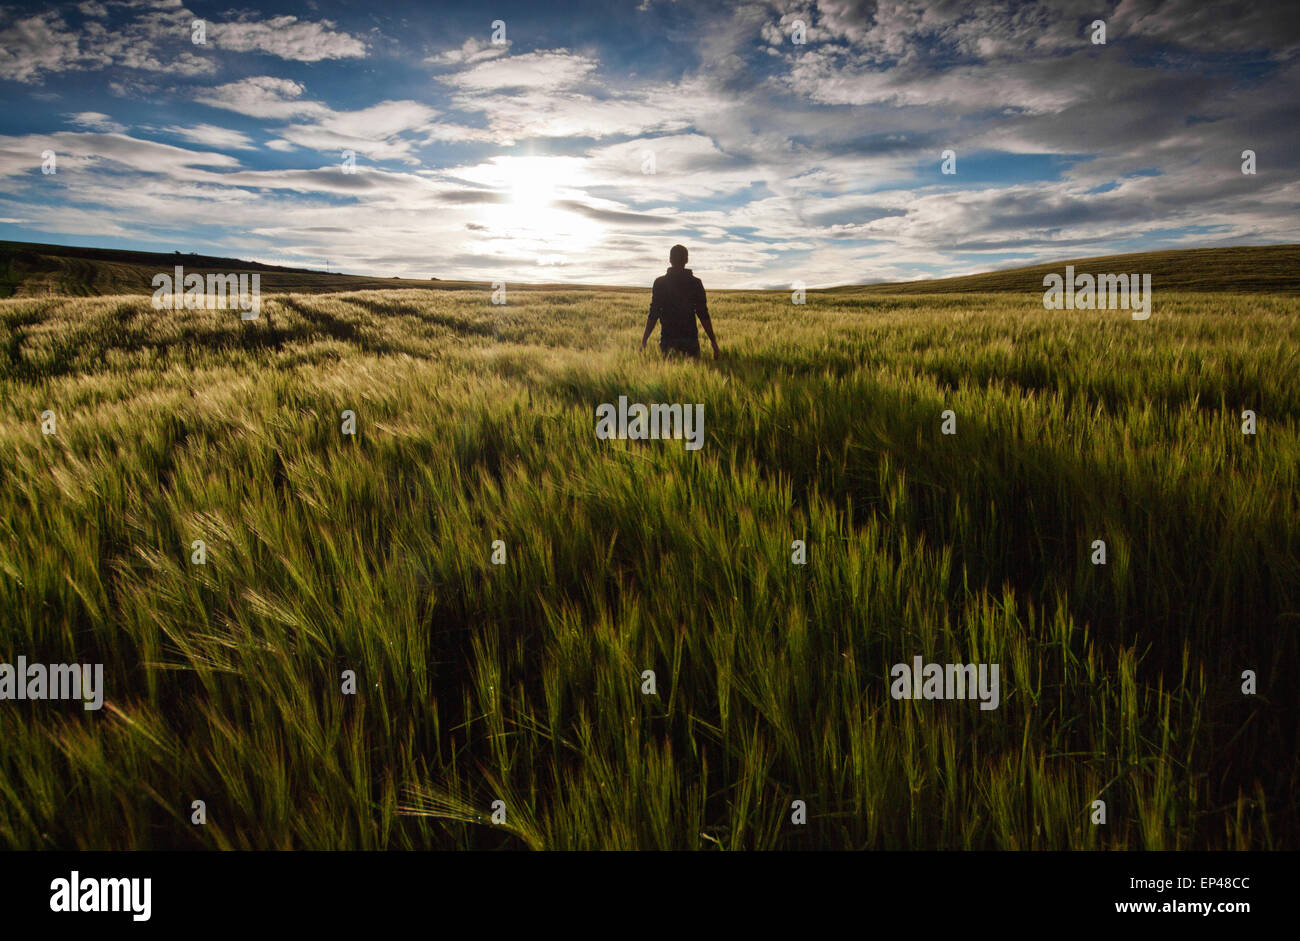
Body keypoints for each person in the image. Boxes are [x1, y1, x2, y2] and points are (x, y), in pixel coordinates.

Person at [640, 244, 720, 360]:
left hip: (667, 340)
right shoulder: (695, 283)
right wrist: (713, 341)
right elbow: (703, 314)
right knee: (693, 376)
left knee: (667, 377)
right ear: (686, 260)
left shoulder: (660, 283)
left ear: (670, 259)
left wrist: (644, 339)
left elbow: (654, 313)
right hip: (690, 341)